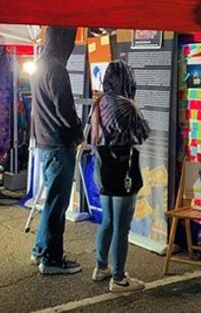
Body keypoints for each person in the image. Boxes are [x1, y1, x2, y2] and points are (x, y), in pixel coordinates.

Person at [90, 60, 150, 293]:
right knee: (122, 227)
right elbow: (143, 134)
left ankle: (101, 266)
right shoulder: (126, 105)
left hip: (104, 168)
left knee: (107, 221)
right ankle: (119, 278)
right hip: (124, 168)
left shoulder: (100, 102)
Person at [30, 26, 84, 274]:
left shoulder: (41, 64)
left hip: (45, 141)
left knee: (51, 199)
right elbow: (65, 110)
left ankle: (41, 249)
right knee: (57, 201)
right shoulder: (56, 68)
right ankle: (51, 259)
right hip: (59, 143)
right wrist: (78, 133)